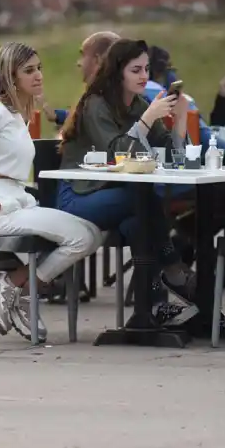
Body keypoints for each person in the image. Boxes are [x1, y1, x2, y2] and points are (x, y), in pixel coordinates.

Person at [0, 42, 102, 342]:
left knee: (94, 234)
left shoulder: (18, 115)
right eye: (29, 70)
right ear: (11, 76)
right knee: (81, 238)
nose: (38, 75)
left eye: (39, 68)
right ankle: (20, 292)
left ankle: (13, 286)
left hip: (16, 200)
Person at [57, 38, 198, 326]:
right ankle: (173, 269)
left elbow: (175, 157)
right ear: (117, 71)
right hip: (79, 196)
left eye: (146, 69)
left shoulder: (138, 105)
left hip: (118, 198)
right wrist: (147, 119)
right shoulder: (95, 105)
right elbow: (117, 152)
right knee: (142, 198)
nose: (144, 76)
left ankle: (151, 310)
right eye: (136, 70)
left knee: (139, 223)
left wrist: (181, 119)